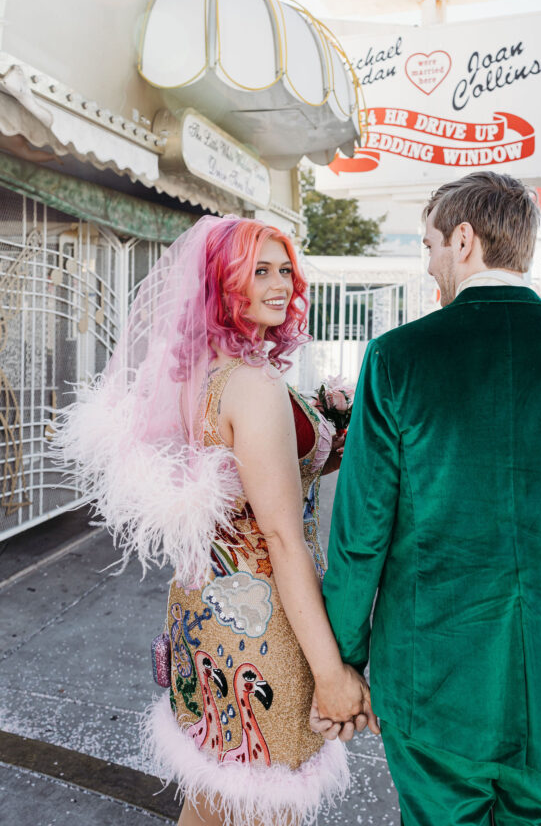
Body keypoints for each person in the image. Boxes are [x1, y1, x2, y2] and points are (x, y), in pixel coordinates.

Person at [319, 172, 541, 825]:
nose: (427, 264)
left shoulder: (395, 359)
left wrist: (341, 662)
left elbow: (359, 538)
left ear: (463, 239)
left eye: (428, 245)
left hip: (430, 690)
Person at [55, 215, 376, 826]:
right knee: (265, 804)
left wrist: (326, 438)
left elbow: (244, 487)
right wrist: (330, 672)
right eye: (260, 271)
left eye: (286, 269)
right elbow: (281, 535)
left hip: (202, 617)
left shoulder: (198, 376)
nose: (281, 284)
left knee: (212, 800)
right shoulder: (253, 385)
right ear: (224, 282)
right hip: (267, 627)